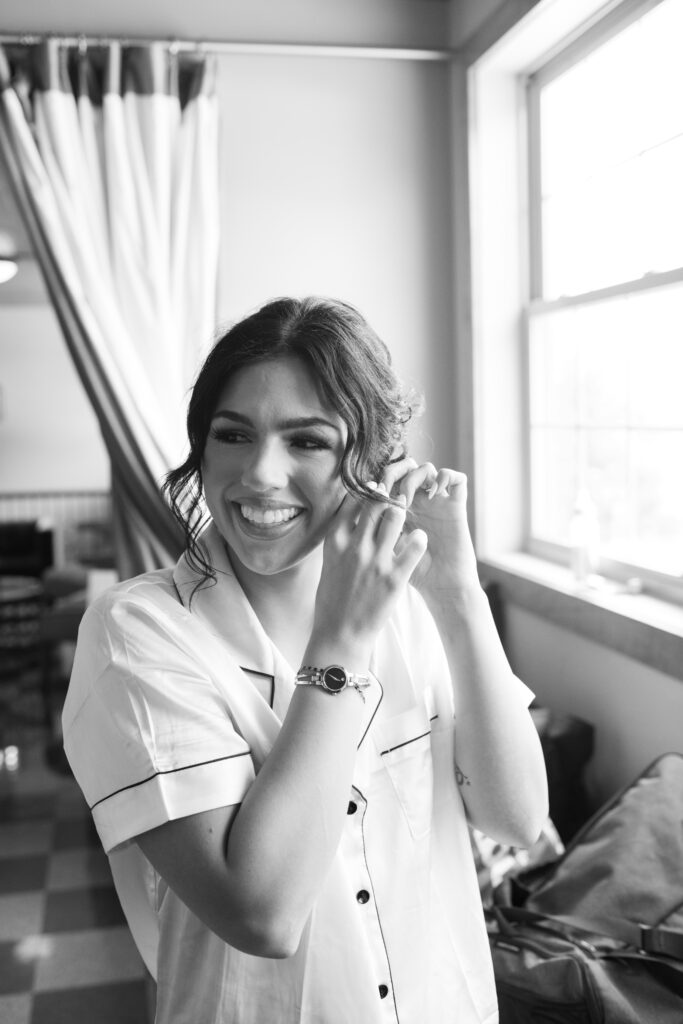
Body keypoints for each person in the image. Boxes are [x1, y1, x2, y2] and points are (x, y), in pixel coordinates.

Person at [63, 296, 548, 1024]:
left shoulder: (414, 605)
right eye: (233, 434)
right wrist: (341, 647)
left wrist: (456, 594)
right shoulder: (136, 632)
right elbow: (262, 916)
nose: (260, 473)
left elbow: (515, 818)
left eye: (308, 441)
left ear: (372, 464)